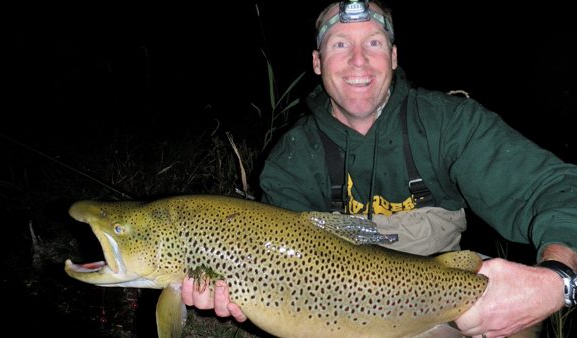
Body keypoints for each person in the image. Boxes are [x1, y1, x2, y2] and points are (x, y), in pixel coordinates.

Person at [182, 1, 577, 337]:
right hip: (338, 315)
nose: (358, 60)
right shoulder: (292, 162)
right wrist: (242, 295)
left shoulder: (448, 125)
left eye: (373, 42)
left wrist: (558, 279)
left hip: (440, 305)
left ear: (393, 56)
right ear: (318, 63)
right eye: (341, 45)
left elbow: (557, 189)